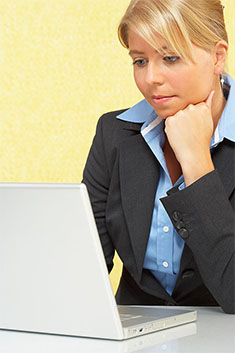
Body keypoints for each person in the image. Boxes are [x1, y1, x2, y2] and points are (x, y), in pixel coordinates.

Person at [82, 0, 235, 314]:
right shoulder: (114, 134)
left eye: (170, 57)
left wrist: (196, 162)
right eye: (140, 61)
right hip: (133, 338)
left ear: (218, 56)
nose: (151, 77)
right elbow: (83, 266)